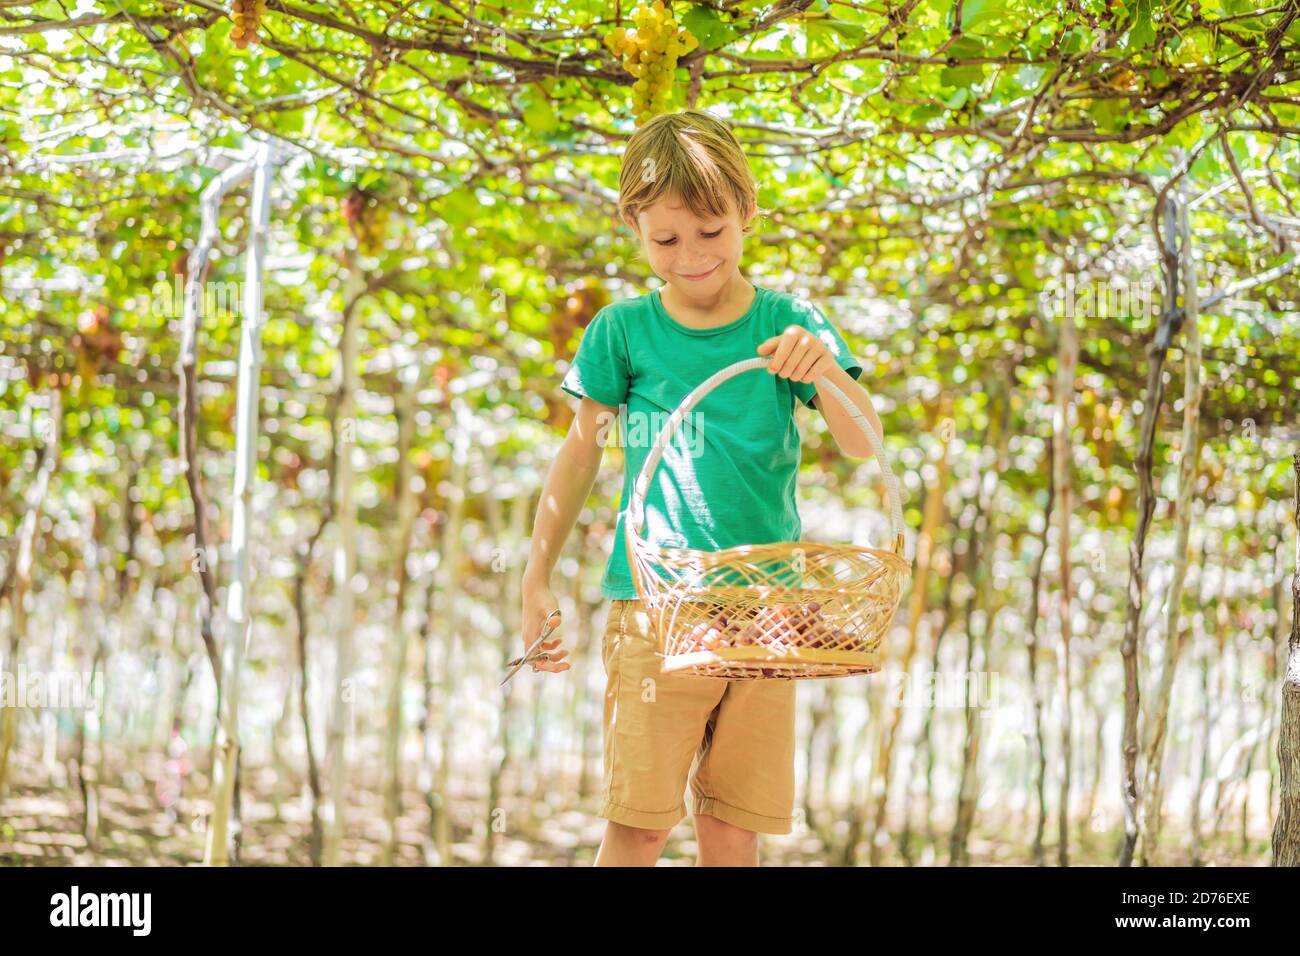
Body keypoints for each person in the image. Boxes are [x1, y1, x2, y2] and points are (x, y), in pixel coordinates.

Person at [520, 108, 885, 866]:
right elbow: (580, 455)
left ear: (747, 211)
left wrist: (819, 369)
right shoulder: (622, 331)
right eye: (665, 240)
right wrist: (536, 576)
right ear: (634, 227)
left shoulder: (792, 324)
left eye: (711, 233)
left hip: (767, 610)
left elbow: (862, 444)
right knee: (641, 822)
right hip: (655, 607)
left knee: (732, 827)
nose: (691, 256)